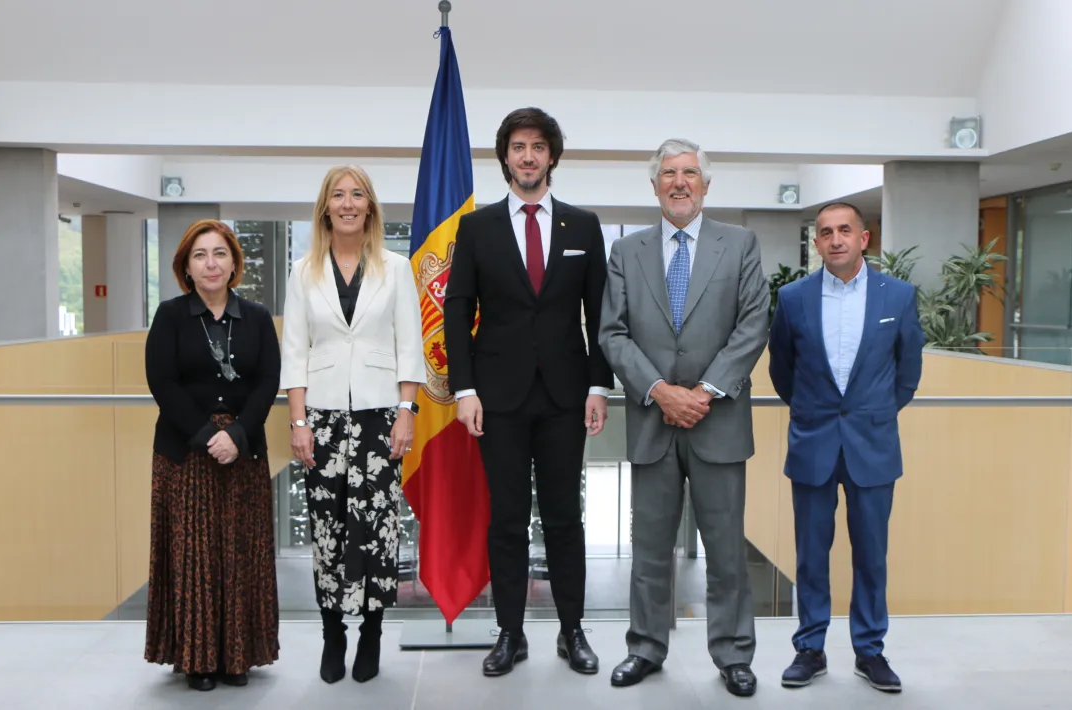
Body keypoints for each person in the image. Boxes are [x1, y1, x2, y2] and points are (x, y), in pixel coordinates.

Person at [443, 106, 613, 677]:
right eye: (518, 146)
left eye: (538, 146)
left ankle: (572, 630)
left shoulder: (583, 226)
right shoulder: (477, 227)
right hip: (499, 399)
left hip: (566, 397)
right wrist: (464, 387)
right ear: (505, 159)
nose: (528, 156)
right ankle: (510, 634)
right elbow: (458, 308)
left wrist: (597, 384)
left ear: (552, 157)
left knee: (566, 518)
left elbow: (600, 314)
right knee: (508, 520)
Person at [598, 138, 769, 696]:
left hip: (717, 421)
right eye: (668, 173)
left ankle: (734, 654)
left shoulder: (740, 244)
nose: (679, 182)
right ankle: (645, 648)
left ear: (705, 183)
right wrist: (659, 391)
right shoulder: (627, 251)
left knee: (725, 548)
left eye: (689, 173)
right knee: (649, 547)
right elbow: (612, 333)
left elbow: (752, 325)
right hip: (653, 420)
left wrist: (705, 391)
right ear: (654, 186)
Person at [768, 202, 923, 693]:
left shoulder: (897, 296)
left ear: (864, 238)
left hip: (872, 444)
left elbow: (908, 371)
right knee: (811, 555)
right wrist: (815, 411)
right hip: (813, 440)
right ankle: (809, 649)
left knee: (871, 555)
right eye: (825, 233)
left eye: (844, 231)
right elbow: (782, 369)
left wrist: (872, 412)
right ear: (816, 243)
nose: (835, 239)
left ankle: (870, 651)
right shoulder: (793, 298)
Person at [280, 165, 425, 685]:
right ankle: (333, 634)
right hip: (319, 416)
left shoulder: (397, 267)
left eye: (356, 194)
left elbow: (411, 347)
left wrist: (407, 412)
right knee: (328, 529)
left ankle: (371, 634)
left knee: (378, 530)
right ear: (325, 207)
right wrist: (298, 422)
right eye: (337, 195)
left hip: (380, 416)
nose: (346, 203)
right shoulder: (303, 271)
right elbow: (294, 353)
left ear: (369, 206)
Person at [143, 219, 281, 691]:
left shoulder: (258, 317)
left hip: (244, 452)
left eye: (219, 253)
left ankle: (238, 656)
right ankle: (199, 658)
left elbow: (268, 382)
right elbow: (163, 383)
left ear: (234, 262)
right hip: (186, 452)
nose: (211, 263)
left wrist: (238, 434)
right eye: (200, 255)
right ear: (186, 265)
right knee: (195, 557)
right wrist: (208, 435)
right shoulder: (170, 316)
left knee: (241, 554)